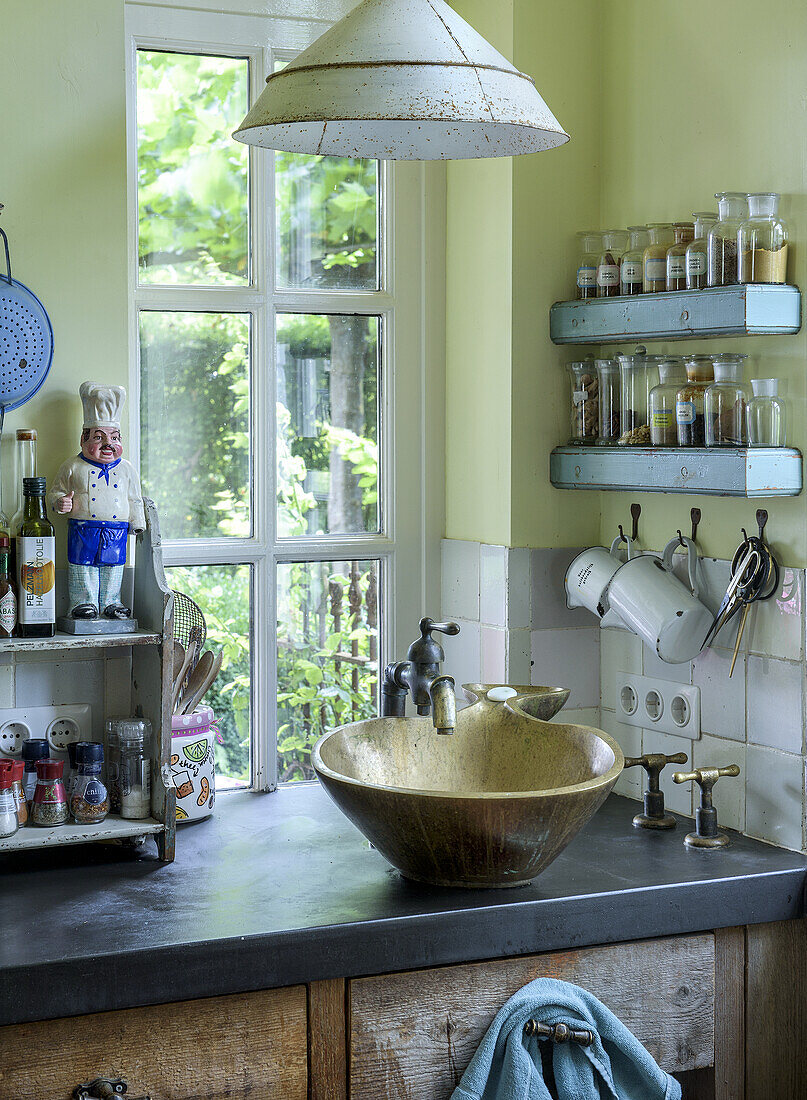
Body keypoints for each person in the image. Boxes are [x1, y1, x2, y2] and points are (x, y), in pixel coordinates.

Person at [49, 382, 145, 620]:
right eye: (99, 438)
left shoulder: (127, 469)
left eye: (114, 437)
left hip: (116, 529)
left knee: (113, 566)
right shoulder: (73, 466)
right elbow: (55, 492)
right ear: (83, 439)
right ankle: (83, 602)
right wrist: (60, 502)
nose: (108, 444)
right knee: (83, 565)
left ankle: (112, 602)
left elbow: (135, 498)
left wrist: (138, 522)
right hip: (83, 528)